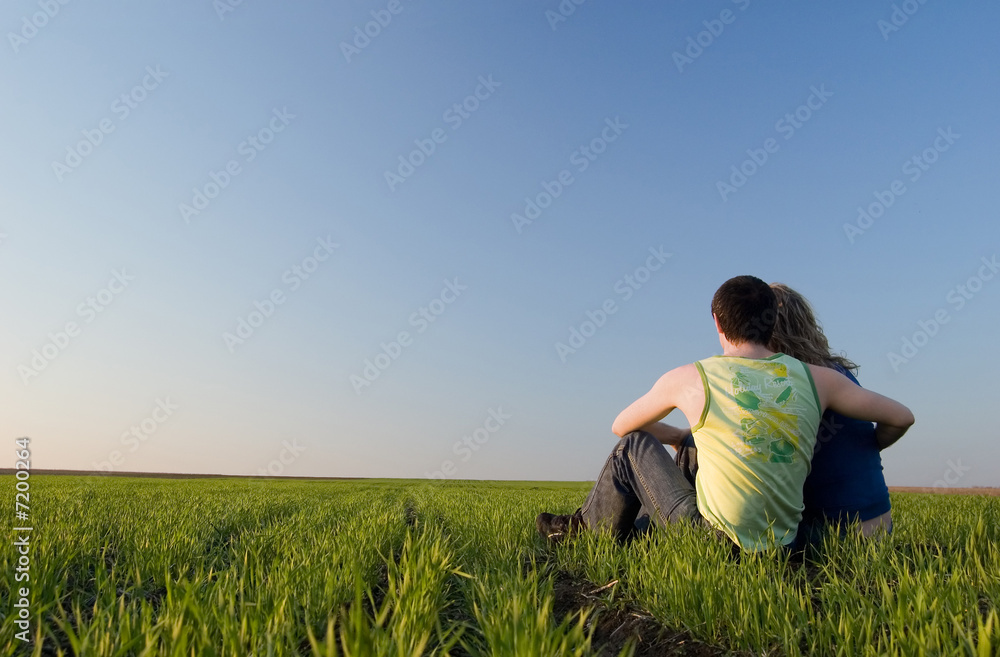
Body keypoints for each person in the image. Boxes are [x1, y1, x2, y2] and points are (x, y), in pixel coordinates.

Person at [536, 275, 914, 552]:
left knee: (631, 445)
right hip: (798, 541)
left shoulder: (697, 376)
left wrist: (674, 435)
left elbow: (621, 426)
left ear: (718, 322)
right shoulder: (826, 379)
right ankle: (634, 532)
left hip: (778, 540)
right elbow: (902, 416)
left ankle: (586, 531)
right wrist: (871, 444)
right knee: (696, 446)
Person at [767, 283, 893, 543]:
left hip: (834, 535)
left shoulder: (791, 381)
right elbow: (900, 419)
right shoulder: (836, 373)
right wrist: (868, 446)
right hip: (881, 526)